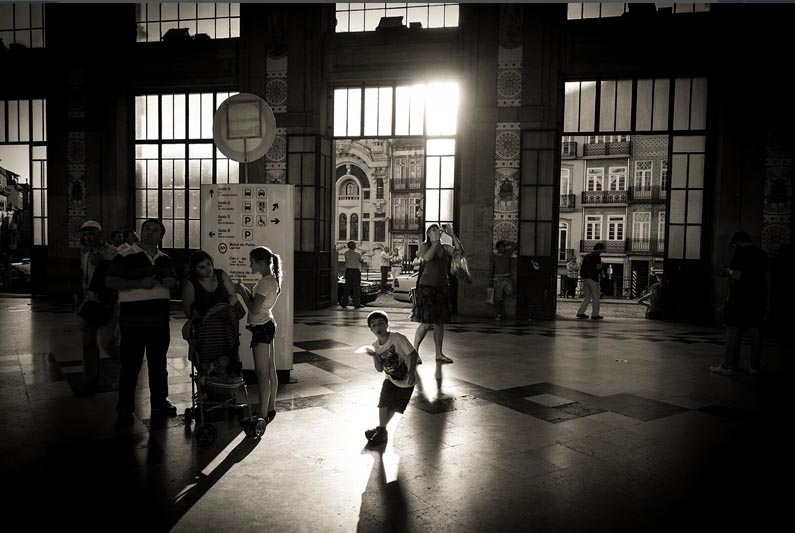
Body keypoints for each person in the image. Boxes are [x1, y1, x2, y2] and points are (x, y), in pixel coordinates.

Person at [106, 219, 180, 425]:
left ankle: (160, 401)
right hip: (133, 322)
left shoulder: (165, 259)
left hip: (159, 321)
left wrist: (172, 283)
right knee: (131, 365)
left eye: (155, 230)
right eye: (147, 228)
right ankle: (125, 407)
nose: (150, 232)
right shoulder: (124, 255)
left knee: (159, 364)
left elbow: (175, 285)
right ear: (141, 232)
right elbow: (110, 281)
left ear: (160, 236)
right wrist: (140, 283)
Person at [710, 231, 769, 376]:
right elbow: (767, 278)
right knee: (756, 331)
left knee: (732, 330)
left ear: (737, 242)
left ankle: (727, 366)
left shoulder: (741, 252)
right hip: (758, 297)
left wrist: (728, 271)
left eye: (733, 245)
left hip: (739, 298)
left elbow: (737, 275)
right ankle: (754, 367)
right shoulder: (762, 254)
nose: (733, 248)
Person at [236, 246, 282, 423]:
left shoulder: (265, 282)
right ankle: (270, 408)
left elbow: (254, 308)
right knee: (270, 370)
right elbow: (258, 303)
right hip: (267, 325)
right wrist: (245, 290)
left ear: (261, 263)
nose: (250, 265)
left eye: (252, 262)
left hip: (262, 328)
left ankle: (262, 414)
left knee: (262, 373)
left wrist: (241, 292)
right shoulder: (271, 280)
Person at [74, 220, 120, 396]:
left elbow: (115, 276)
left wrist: (102, 260)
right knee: (88, 343)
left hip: (109, 304)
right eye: (85, 234)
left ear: (99, 234)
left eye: (91, 233)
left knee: (107, 343)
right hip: (89, 303)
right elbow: (84, 277)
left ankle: (130, 365)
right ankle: (91, 380)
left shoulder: (112, 252)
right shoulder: (85, 254)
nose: (88, 237)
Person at [363, 310, 419, 446]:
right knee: (383, 403)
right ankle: (381, 430)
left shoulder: (398, 338)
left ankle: (381, 430)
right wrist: (374, 356)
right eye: (374, 325)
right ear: (370, 329)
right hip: (390, 379)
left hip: (406, 381)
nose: (378, 328)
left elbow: (412, 354)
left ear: (387, 324)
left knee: (394, 406)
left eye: (381, 324)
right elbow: (379, 369)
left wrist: (411, 373)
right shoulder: (375, 346)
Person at [412, 223, 463, 364]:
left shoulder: (444, 247)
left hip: (442, 287)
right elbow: (427, 258)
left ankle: (439, 354)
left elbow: (459, 252)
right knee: (426, 322)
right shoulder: (425, 245)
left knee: (440, 322)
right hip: (427, 287)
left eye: (437, 229)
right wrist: (435, 242)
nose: (436, 231)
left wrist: (452, 234)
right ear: (428, 234)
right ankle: (414, 351)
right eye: (433, 230)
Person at [577, 242, 605, 320]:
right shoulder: (597, 256)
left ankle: (580, 312)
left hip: (585, 278)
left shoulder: (586, 256)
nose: (603, 251)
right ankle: (595, 314)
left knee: (587, 297)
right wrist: (602, 265)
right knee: (596, 297)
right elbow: (598, 267)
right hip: (593, 278)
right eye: (602, 249)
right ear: (599, 249)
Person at [489, 240, 516, 320]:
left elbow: (516, 245)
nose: (503, 249)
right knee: (498, 298)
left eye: (504, 247)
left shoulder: (508, 253)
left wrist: (507, 242)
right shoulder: (494, 257)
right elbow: (492, 268)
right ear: (497, 248)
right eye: (501, 247)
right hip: (497, 279)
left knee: (511, 292)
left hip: (507, 278)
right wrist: (490, 279)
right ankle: (499, 313)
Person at [341, 240, 364, 308]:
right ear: (354, 246)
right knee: (356, 288)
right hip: (355, 271)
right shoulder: (357, 254)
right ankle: (356, 303)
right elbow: (360, 261)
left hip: (348, 270)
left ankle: (344, 302)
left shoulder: (346, 253)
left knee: (347, 287)